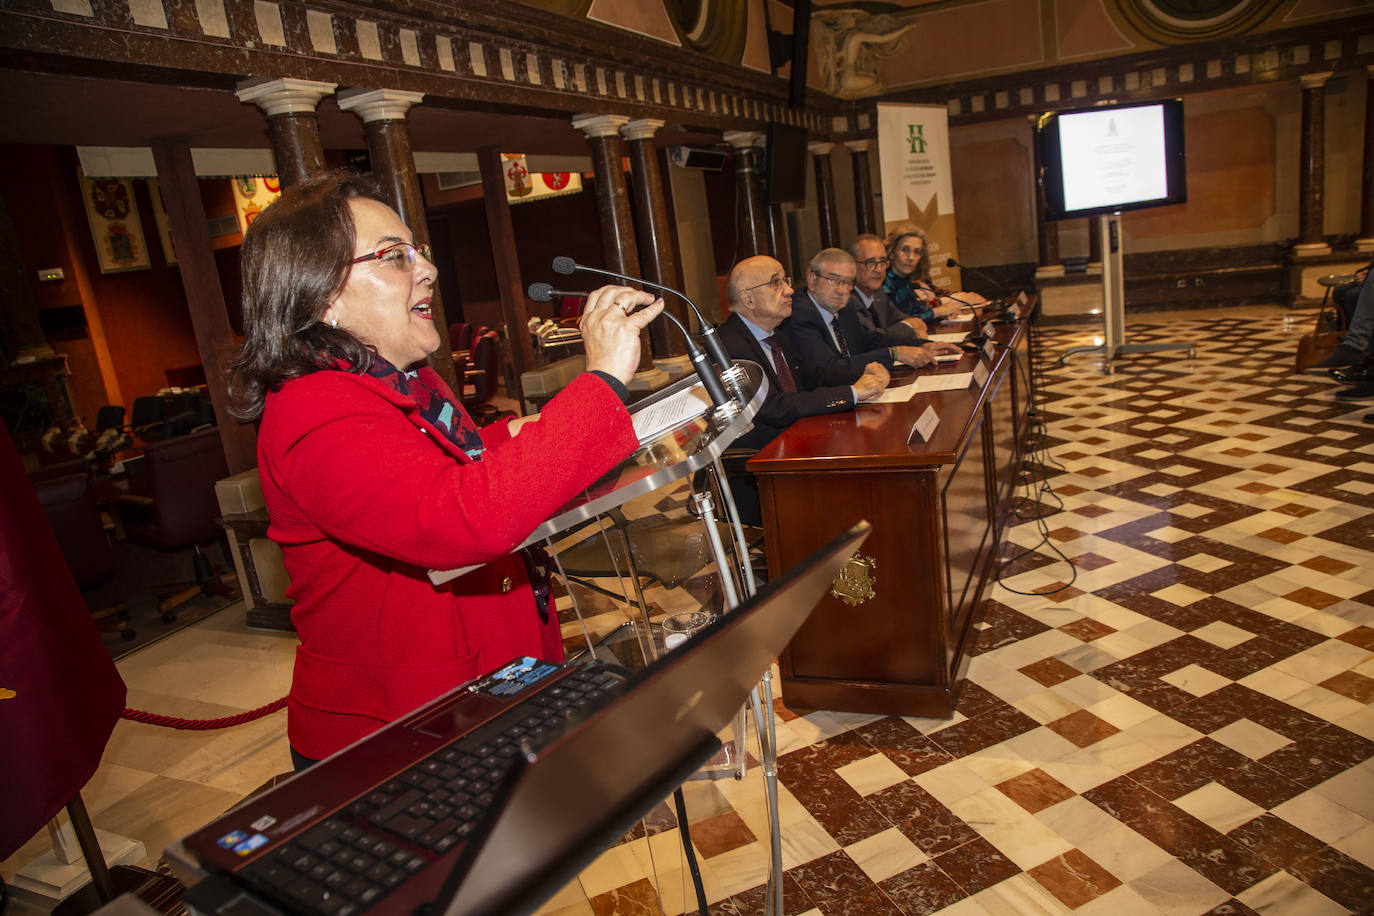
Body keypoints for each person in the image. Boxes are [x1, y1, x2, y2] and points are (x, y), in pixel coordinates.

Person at [228, 170, 662, 768]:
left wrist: (510, 434)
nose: (426, 269)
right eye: (393, 256)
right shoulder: (313, 409)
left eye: (418, 251)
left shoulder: (409, 380)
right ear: (320, 295)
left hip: (488, 691)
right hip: (401, 737)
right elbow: (458, 520)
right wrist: (602, 378)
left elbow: (434, 465)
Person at [715, 255, 889, 524]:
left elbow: (813, 374)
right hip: (761, 468)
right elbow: (773, 407)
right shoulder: (728, 347)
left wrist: (863, 374)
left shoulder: (775, 334)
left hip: (796, 447)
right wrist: (852, 393)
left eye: (785, 280)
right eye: (775, 283)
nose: (789, 290)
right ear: (748, 299)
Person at [781, 248, 961, 379]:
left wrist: (923, 345)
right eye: (833, 280)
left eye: (847, 282)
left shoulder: (846, 304)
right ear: (812, 280)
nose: (841, 290)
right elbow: (829, 369)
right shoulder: (798, 314)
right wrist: (894, 354)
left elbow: (871, 340)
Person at [882, 225, 986, 322]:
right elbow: (902, 322)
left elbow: (918, 310)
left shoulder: (906, 281)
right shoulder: (884, 282)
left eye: (917, 252)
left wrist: (943, 313)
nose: (911, 257)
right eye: (904, 250)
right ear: (891, 253)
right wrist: (938, 311)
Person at [849, 233, 930, 342]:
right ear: (851, 266)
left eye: (882, 261)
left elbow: (902, 319)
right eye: (871, 262)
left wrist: (915, 325)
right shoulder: (848, 301)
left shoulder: (878, 294)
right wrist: (910, 329)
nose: (878, 269)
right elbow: (875, 338)